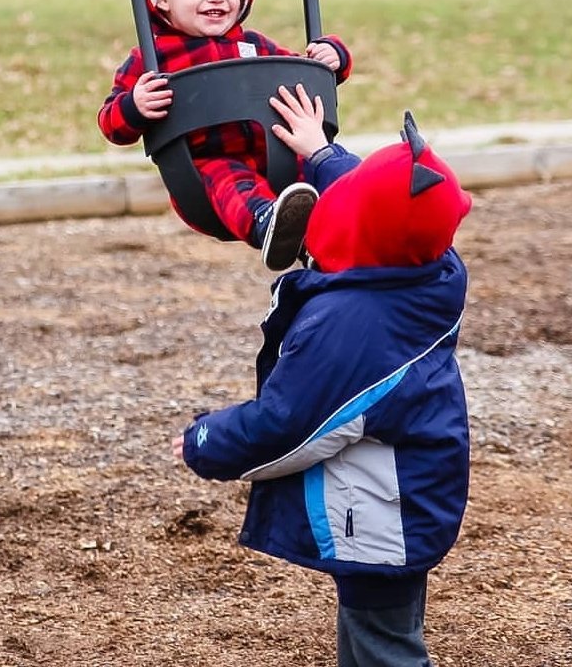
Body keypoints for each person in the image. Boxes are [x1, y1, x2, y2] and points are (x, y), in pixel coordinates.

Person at [171, 84, 472, 667]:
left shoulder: (351, 326)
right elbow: (380, 205)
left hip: (383, 509)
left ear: (354, 231)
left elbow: (288, 424)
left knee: (384, 645)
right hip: (408, 485)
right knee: (377, 623)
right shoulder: (426, 267)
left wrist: (203, 440)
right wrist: (320, 152)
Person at [98, 0, 352, 271]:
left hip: (278, 152)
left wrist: (333, 57)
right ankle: (270, 224)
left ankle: (339, 227)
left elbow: (304, 75)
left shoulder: (254, 45)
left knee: (326, 162)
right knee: (228, 177)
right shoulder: (152, 58)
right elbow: (111, 123)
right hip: (206, 168)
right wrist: (135, 105)